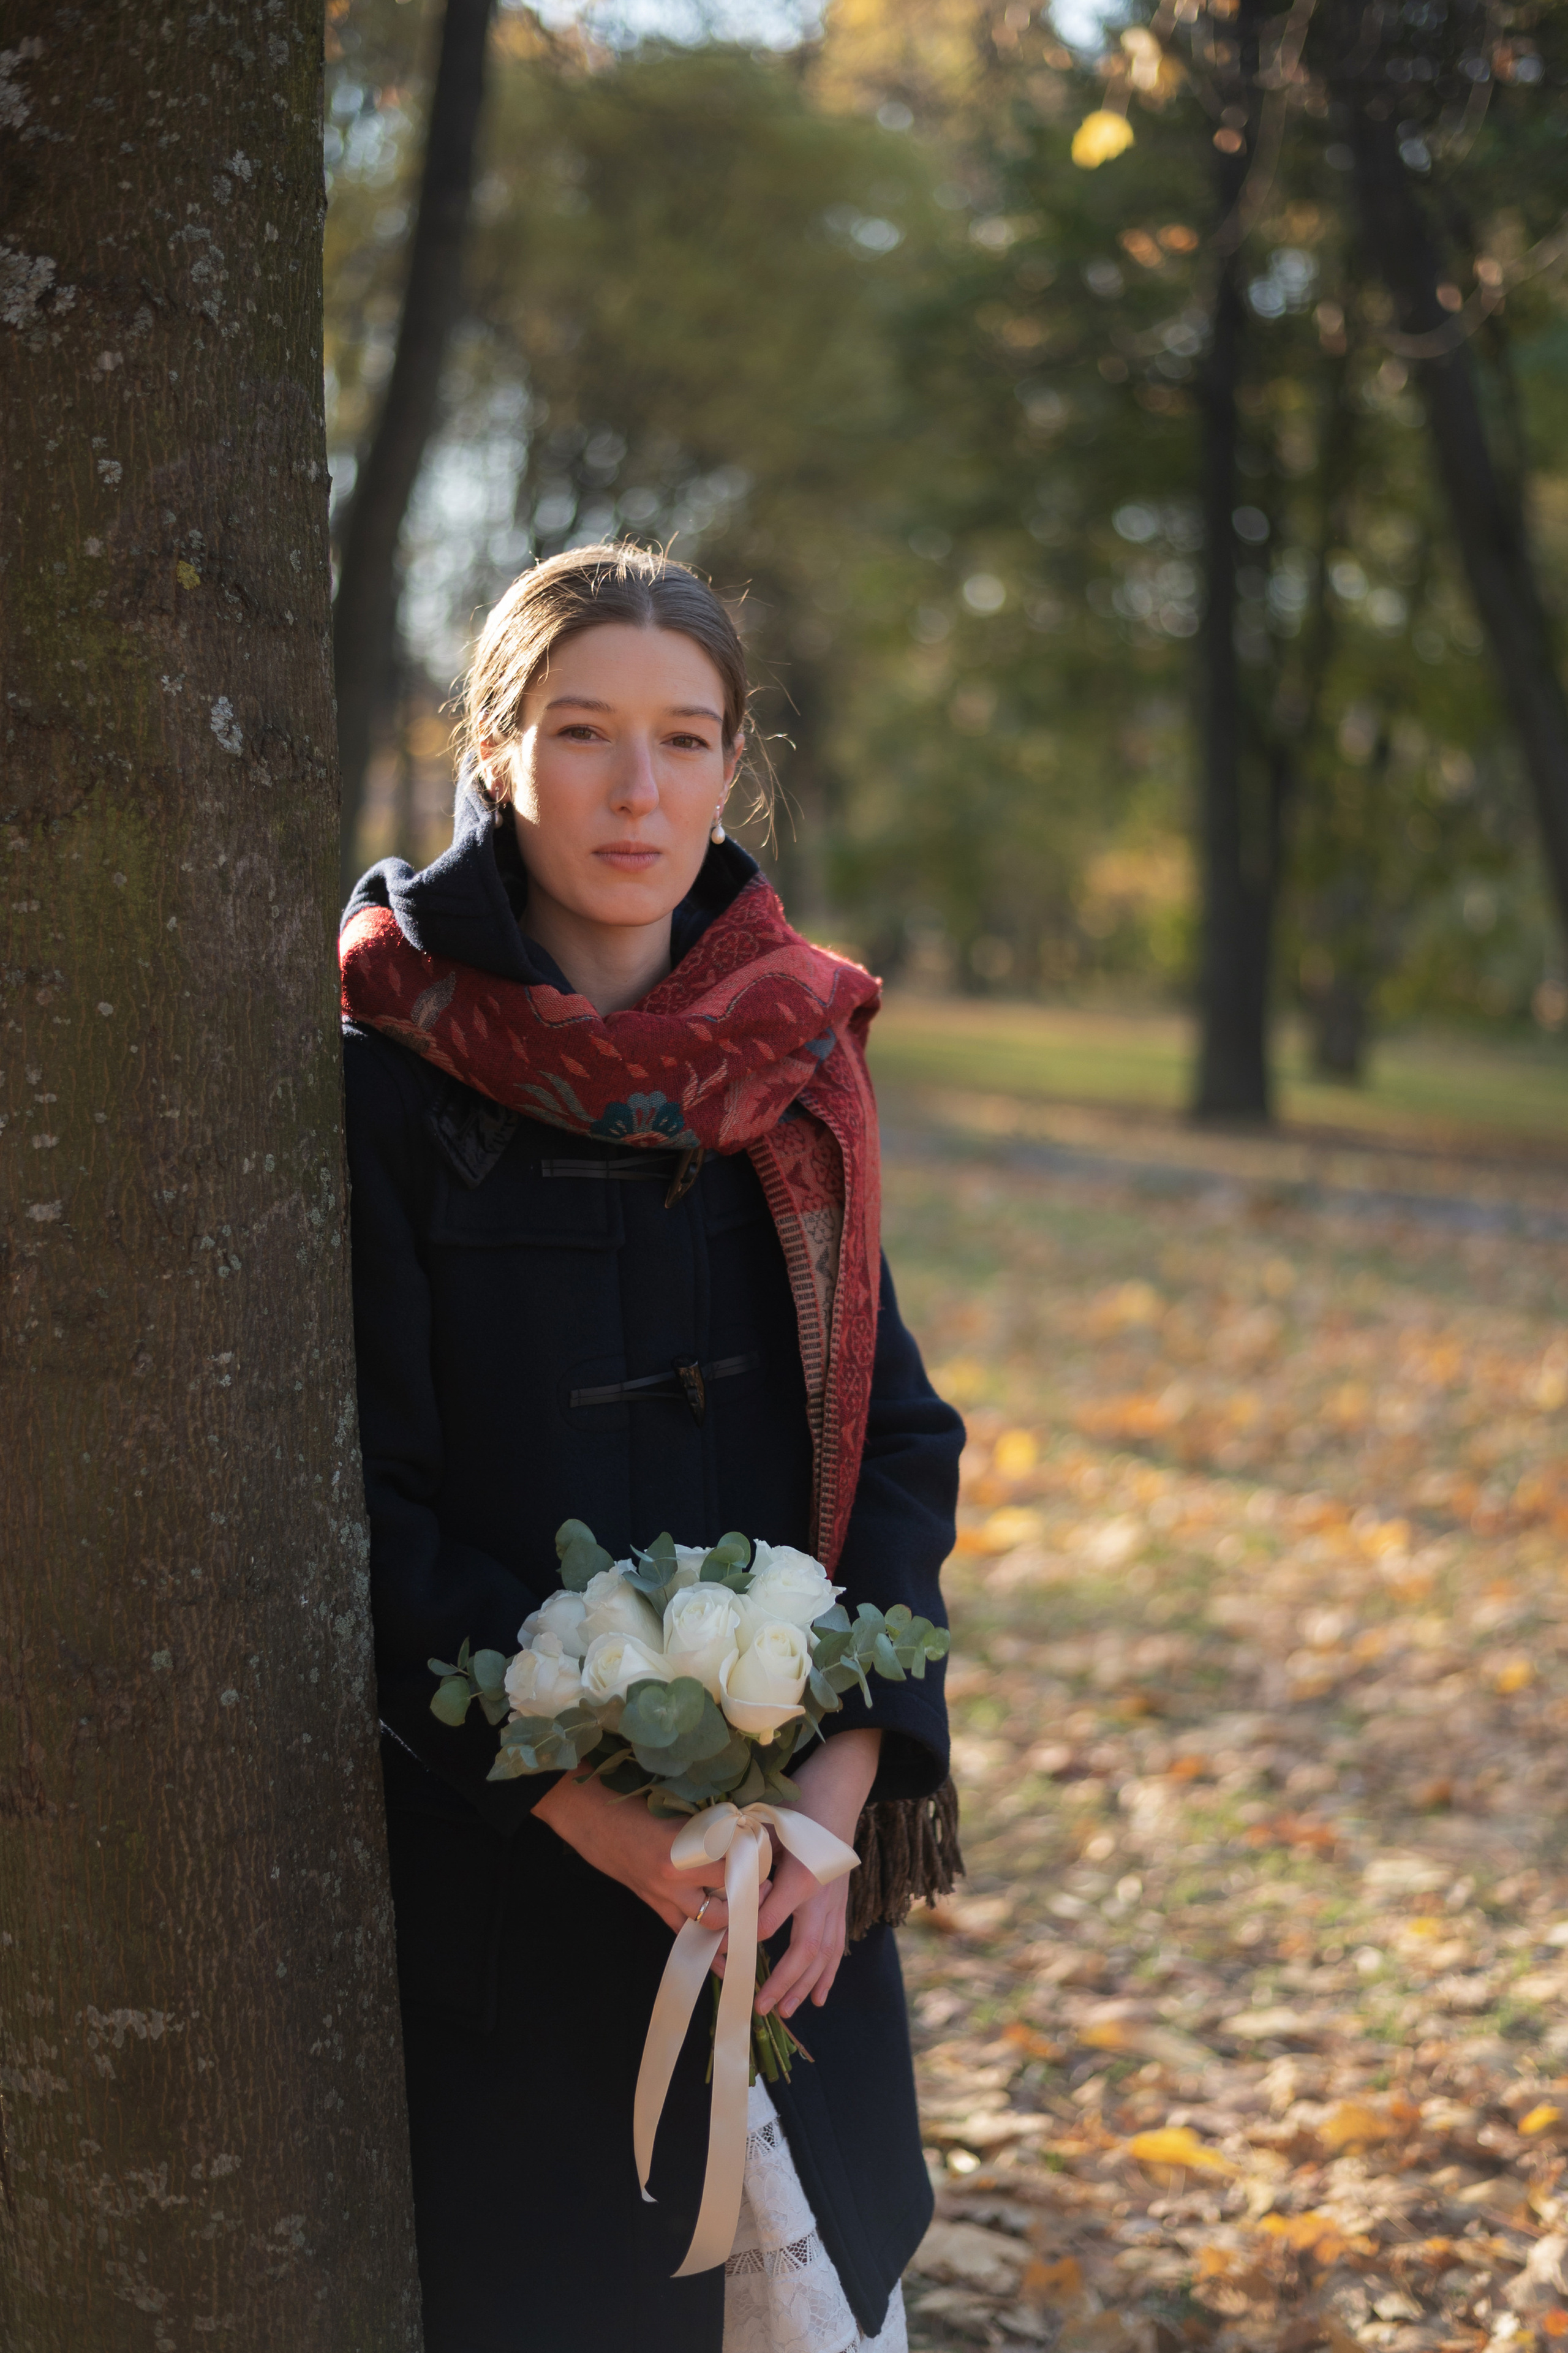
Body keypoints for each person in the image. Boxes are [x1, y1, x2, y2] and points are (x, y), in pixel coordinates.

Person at [340, 543, 963, 2353]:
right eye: (582, 730)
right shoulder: (384, 1072)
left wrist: (839, 1797)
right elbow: (369, 1516)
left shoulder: (799, 1054)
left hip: (795, 1890)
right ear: (494, 748)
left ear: (730, 766)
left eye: (685, 739)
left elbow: (898, 1434)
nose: (638, 788)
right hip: (513, 1885)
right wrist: (596, 1817)